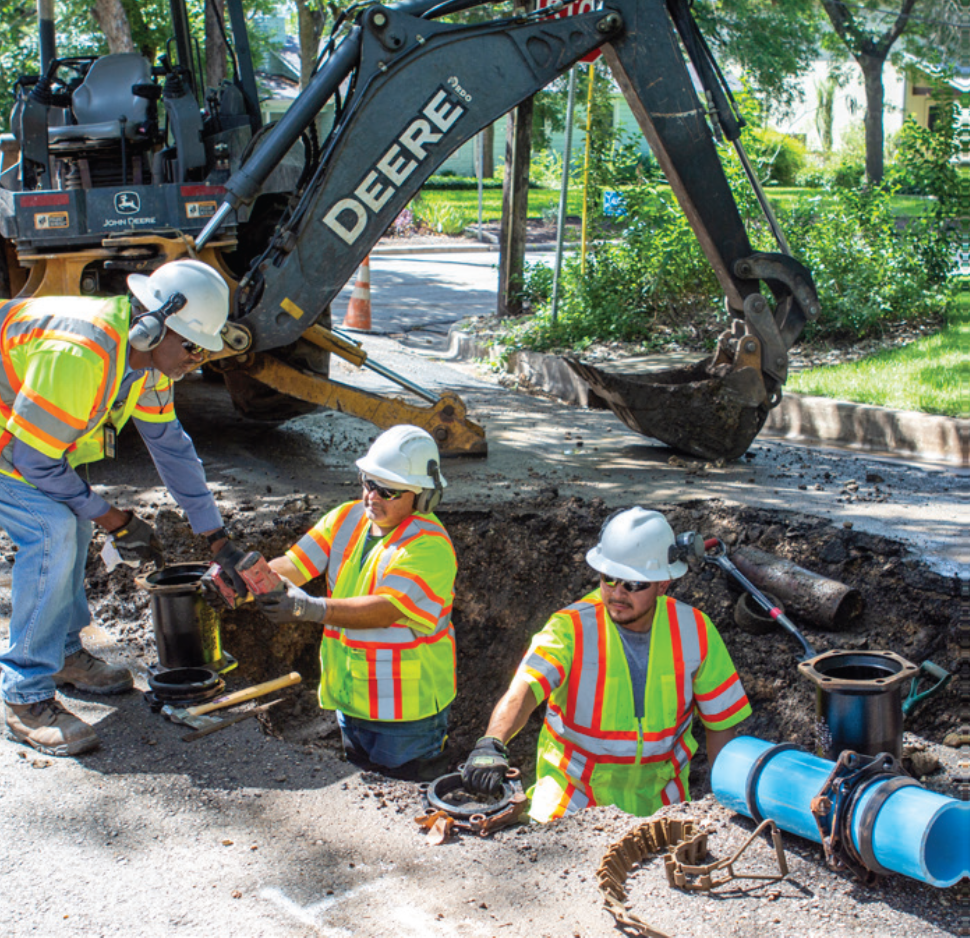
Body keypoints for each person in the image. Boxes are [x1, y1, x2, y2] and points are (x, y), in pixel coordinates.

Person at [0, 259, 250, 758]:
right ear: (153, 326)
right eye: (192, 346)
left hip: (31, 445)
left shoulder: (149, 361)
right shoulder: (81, 354)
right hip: (16, 446)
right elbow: (29, 459)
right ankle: (24, 697)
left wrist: (216, 537)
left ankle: (65, 653)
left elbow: (171, 447)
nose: (197, 361)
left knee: (73, 520)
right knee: (53, 530)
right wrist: (115, 519)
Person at [462, 507, 751, 822]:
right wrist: (492, 742)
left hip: (661, 806)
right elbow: (527, 687)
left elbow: (721, 723)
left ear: (662, 584)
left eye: (633, 584)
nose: (617, 592)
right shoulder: (571, 627)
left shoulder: (694, 630)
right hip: (572, 803)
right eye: (608, 578)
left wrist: (726, 803)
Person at [254, 425, 457, 779]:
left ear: (422, 496)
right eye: (367, 482)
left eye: (388, 490)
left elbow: (385, 610)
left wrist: (309, 609)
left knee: (404, 798)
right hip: (351, 699)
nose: (371, 497)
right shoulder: (347, 517)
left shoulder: (429, 546)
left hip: (406, 713)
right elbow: (294, 565)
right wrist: (249, 580)